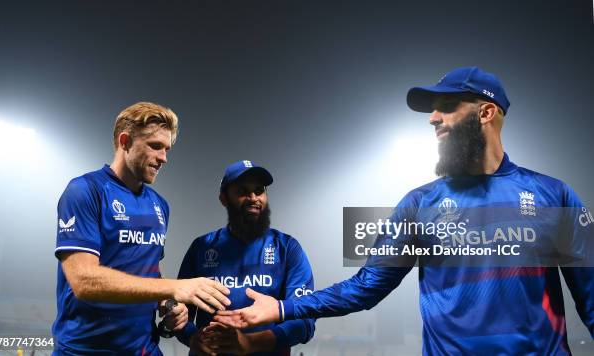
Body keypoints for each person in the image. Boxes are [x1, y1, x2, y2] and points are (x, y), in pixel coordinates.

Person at [215, 67, 594, 354]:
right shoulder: (419, 204)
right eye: (433, 110)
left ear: (486, 112)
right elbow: (364, 288)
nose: (433, 118)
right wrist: (283, 308)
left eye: (446, 106)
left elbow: (591, 299)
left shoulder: (553, 195)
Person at [52, 102, 231, 355]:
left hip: (145, 348)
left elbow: (149, 271)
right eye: (155, 146)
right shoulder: (85, 191)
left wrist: (168, 305)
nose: (164, 158)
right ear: (125, 142)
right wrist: (175, 287)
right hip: (86, 350)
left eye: (167, 149)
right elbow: (83, 281)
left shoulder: (159, 205)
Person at [162, 160, 315, 355]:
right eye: (242, 191)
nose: (253, 197)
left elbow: (305, 319)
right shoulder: (202, 247)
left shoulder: (287, 248)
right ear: (223, 198)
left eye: (259, 190)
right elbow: (180, 314)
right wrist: (193, 337)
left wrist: (252, 343)